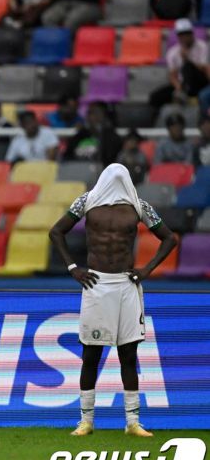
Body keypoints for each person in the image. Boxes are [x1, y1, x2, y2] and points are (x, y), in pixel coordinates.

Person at [49, 163, 177, 437]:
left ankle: (133, 422)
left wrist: (147, 269)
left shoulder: (138, 206)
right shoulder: (86, 201)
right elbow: (56, 231)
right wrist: (73, 268)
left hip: (126, 284)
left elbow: (169, 238)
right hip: (96, 283)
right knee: (91, 355)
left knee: (128, 354)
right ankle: (86, 421)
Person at [152, 19, 209, 111]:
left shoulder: (202, 46)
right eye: (181, 34)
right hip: (182, 84)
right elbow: (172, 74)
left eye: (187, 33)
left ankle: (184, 93)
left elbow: (204, 68)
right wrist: (178, 87)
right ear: (178, 36)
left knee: (187, 66)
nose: (185, 37)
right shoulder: (172, 52)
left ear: (192, 33)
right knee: (155, 97)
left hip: (199, 82)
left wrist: (187, 59)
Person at [63, 101, 122, 165]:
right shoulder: (80, 135)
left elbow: (110, 159)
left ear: (104, 116)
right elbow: (67, 158)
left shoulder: (112, 138)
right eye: (89, 113)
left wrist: (100, 133)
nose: (90, 117)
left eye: (96, 113)